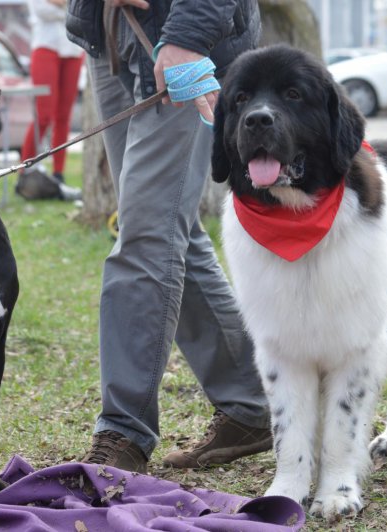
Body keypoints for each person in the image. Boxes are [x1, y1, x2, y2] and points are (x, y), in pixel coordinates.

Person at [65, 0, 271, 473]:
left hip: (184, 40)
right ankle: (251, 401)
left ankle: (123, 432)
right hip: (108, 35)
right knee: (165, 228)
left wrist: (188, 36)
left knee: (147, 239)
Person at [21, 0, 85, 184]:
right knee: (44, 116)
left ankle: (58, 173)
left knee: (63, 117)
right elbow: (40, 9)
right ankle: (25, 169)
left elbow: (81, 10)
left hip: (73, 49)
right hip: (45, 47)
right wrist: (69, 7)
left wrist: (61, 5)